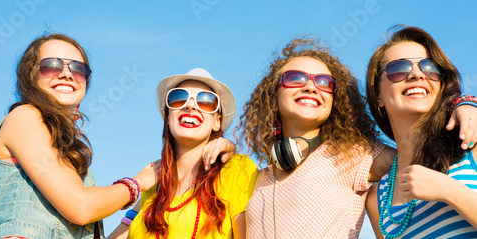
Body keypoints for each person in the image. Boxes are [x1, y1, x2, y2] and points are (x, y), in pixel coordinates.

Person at [0, 34, 232, 239]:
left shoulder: (64, 151)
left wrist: (142, 208)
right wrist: (139, 183)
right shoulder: (24, 117)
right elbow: (81, 207)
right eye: (52, 65)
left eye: (78, 68)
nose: (66, 74)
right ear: (30, 75)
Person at [236, 37, 477, 238]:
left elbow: (414, 153)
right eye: (295, 78)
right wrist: (217, 142)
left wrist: (462, 103)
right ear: (272, 94)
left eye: (324, 82)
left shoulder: (351, 156)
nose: (311, 87)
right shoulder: (256, 178)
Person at [365, 26, 477, 238]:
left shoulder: (471, 146)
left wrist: (449, 191)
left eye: (429, 67)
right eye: (398, 69)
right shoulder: (377, 200)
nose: (417, 74)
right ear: (377, 95)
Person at [120, 68, 258, 239]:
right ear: (168, 115)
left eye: (206, 101)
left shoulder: (236, 168)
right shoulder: (155, 185)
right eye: (178, 99)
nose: (190, 105)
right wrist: (136, 184)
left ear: (217, 122)